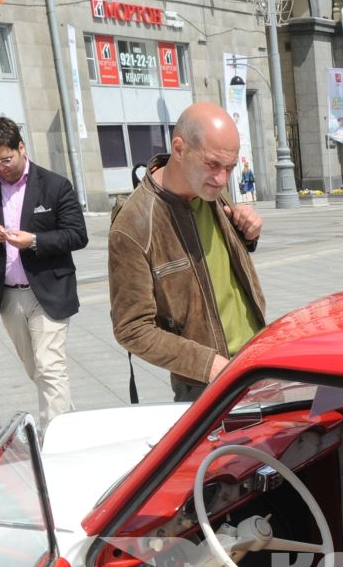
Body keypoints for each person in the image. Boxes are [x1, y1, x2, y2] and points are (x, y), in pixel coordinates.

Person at [108, 102, 266, 402]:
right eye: (213, 164)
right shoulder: (134, 225)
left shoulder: (210, 189)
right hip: (207, 384)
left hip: (256, 360)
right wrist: (211, 366)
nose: (221, 178)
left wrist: (247, 234)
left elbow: (212, 265)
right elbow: (131, 328)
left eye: (229, 168)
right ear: (179, 148)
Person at [0, 115, 88, 423]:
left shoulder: (55, 185)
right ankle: (70, 423)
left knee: (49, 367)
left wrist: (34, 241)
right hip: (8, 296)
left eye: (6, 158)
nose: (0, 167)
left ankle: (55, 441)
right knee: (36, 370)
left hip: (49, 292)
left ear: (21, 147)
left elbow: (77, 235)